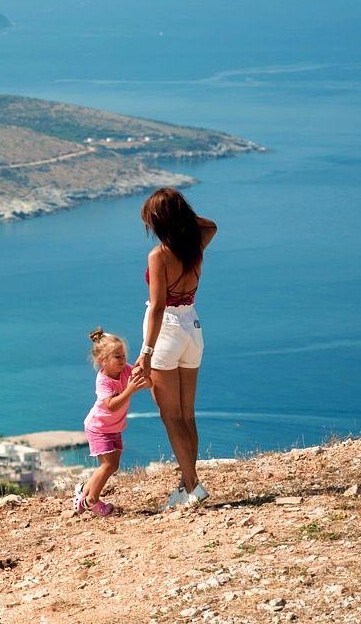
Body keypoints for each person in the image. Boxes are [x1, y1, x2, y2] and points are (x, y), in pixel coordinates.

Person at [133, 186, 217, 511]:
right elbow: (211, 225)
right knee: (186, 414)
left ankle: (193, 486)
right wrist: (183, 216)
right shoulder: (197, 243)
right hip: (192, 329)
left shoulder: (159, 255)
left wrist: (146, 353)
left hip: (166, 332)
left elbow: (157, 306)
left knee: (170, 416)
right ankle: (186, 484)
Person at [75, 327, 150, 516]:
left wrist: (144, 376)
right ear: (103, 360)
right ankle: (92, 500)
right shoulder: (103, 380)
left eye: (123, 354)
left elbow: (147, 383)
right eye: (117, 356)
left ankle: (83, 493)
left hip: (113, 427)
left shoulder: (126, 370)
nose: (123, 359)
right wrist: (130, 390)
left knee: (112, 465)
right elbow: (111, 405)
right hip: (99, 428)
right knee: (108, 466)